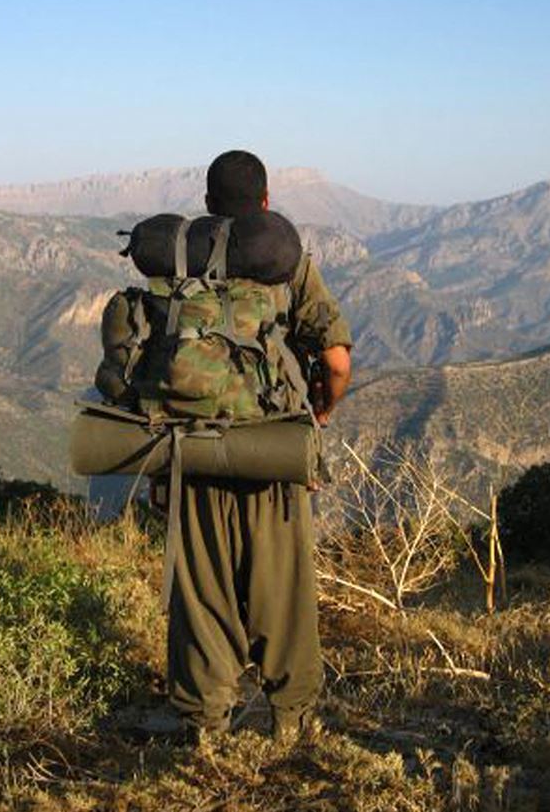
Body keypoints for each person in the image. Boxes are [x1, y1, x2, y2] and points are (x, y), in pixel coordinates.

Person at [162, 149, 353, 742]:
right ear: (266, 203)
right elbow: (336, 361)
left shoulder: (180, 259)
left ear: (208, 205)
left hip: (193, 454)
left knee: (202, 597)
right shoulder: (285, 260)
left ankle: (204, 731)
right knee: (282, 594)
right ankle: (290, 722)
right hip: (271, 452)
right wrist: (320, 413)